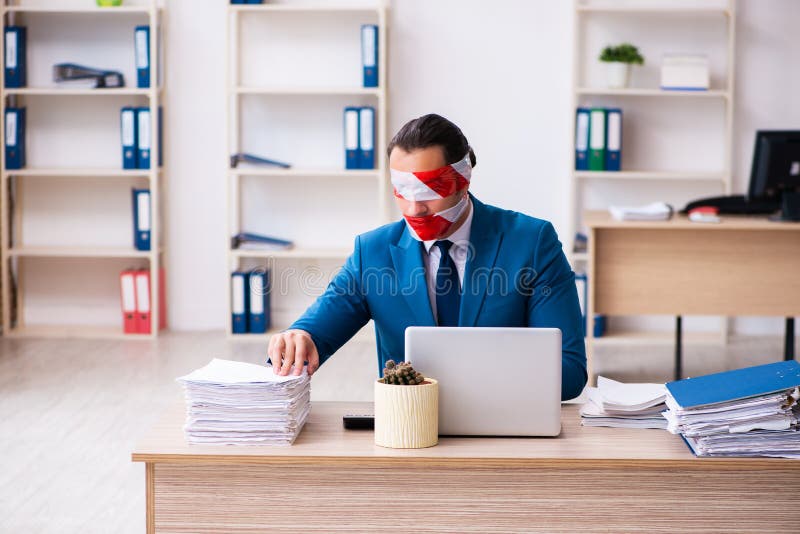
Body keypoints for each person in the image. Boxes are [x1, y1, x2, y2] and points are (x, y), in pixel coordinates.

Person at [267, 114, 587, 400]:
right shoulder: (373, 253)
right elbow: (315, 333)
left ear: (464, 180)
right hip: (410, 431)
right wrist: (300, 338)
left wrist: (478, 378)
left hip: (507, 427)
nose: (413, 208)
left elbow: (569, 372)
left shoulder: (532, 242)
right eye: (402, 192)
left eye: (429, 190)